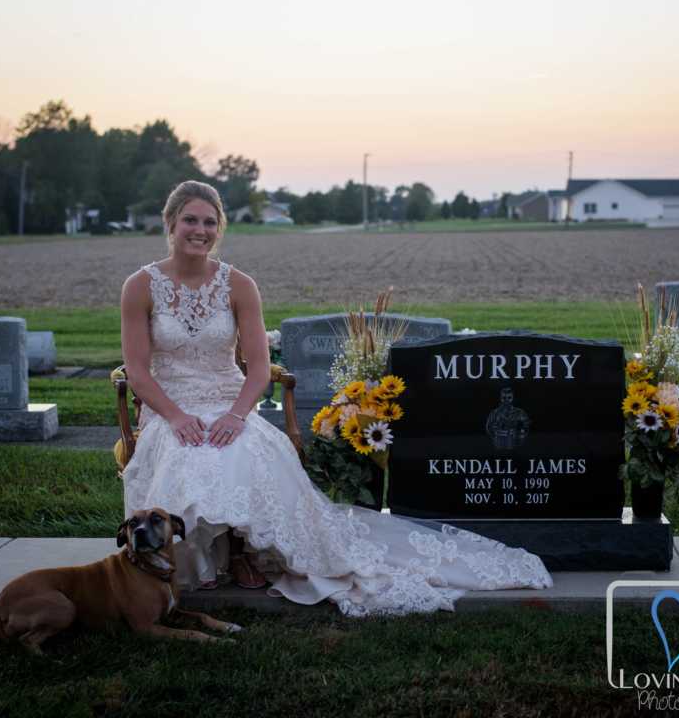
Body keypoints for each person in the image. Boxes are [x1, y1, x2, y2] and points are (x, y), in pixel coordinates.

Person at [120, 180, 552, 617]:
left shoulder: (239, 285)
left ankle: (244, 552)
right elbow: (137, 370)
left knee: (242, 448)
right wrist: (175, 418)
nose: (201, 229)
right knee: (189, 455)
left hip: (230, 402)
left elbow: (258, 368)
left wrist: (236, 414)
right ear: (171, 223)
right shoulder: (139, 286)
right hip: (172, 407)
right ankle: (197, 559)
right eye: (191, 220)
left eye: (210, 222)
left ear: (220, 229)